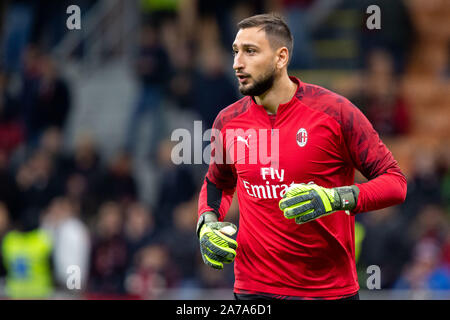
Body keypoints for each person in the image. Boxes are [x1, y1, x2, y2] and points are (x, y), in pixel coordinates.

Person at [196, 13, 407, 300]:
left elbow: (395, 183)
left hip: (328, 291)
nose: (237, 63)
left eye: (250, 51)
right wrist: (207, 223)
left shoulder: (335, 112)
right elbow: (217, 183)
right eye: (235, 51)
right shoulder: (228, 120)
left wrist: (336, 199)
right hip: (253, 291)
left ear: (281, 58)